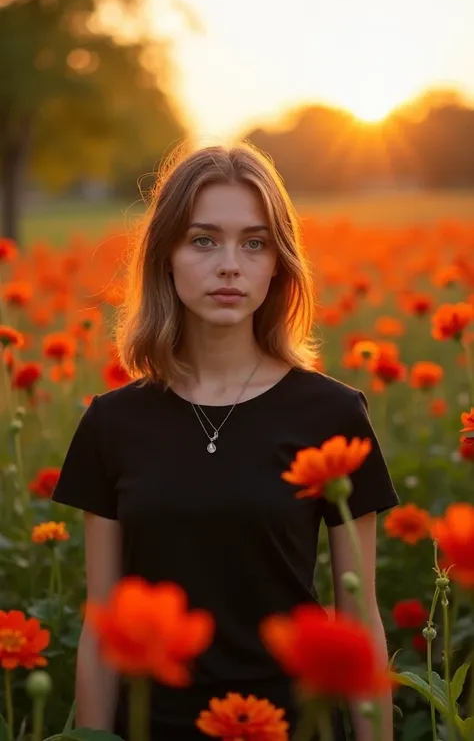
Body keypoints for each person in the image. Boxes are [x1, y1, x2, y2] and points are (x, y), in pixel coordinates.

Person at [52, 142, 399, 741]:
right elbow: (101, 629)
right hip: (153, 727)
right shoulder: (112, 423)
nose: (230, 264)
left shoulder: (333, 413)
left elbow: (359, 619)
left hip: (295, 726)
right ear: (165, 256)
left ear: (278, 264)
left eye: (255, 242)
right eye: (204, 239)